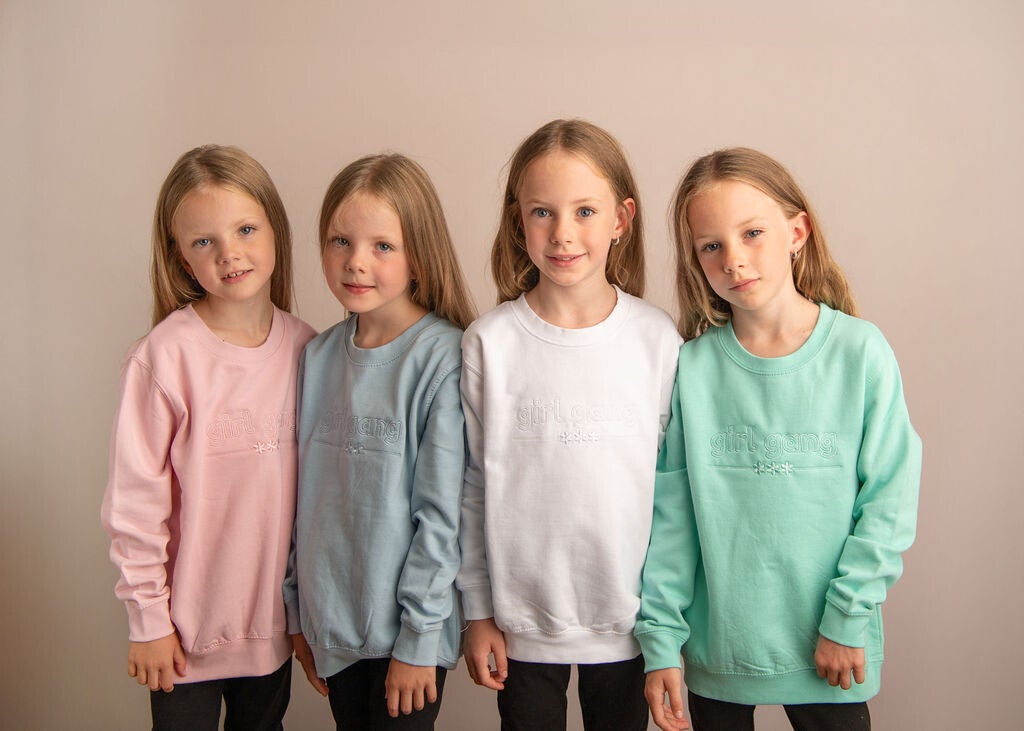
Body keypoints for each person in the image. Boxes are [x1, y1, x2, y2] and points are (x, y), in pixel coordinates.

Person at [635, 148, 922, 731]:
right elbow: (673, 517)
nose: (733, 259)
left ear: (797, 232)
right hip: (721, 655)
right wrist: (661, 641)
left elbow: (888, 501)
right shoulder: (694, 368)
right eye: (710, 245)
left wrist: (847, 616)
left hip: (831, 648)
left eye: (752, 233)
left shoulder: (860, 352)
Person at [458, 119, 682, 730]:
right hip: (522, 624)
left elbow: (672, 493)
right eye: (542, 212)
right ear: (518, 221)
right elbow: (472, 485)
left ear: (621, 219)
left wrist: (666, 625)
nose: (562, 233)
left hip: (631, 624)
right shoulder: (490, 343)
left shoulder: (655, 338)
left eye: (585, 211)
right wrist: (477, 611)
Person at [101, 144, 316, 730]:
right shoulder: (165, 357)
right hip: (181, 638)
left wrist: (308, 618)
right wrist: (148, 621)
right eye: (204, 241)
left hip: (273, 633)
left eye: (245, 229)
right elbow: (134, 505)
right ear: (180, 256)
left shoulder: (309, 350)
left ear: (275, 229)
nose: (229, 253)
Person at [284, 153, 476, 729]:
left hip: (408, 638)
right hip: (330, 630)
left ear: (419, 254)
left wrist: (418, 639)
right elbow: (299, 502)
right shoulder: (317, 356)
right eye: (340, 241)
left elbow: (442, 517)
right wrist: (298, 615)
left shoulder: (443, 357)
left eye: (382, 246)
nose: (356, 262)